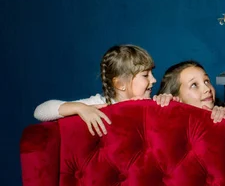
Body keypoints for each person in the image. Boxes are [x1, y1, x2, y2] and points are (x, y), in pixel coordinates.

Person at [34, 44, 175, 136]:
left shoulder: (153, 103)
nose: (154, 80)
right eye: (145, 75)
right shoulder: (101, 104)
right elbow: (39, 112)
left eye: (152, 73)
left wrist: (168, 102)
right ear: (120, 84)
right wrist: (80, 108)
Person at [158, 60, 225, 123]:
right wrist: (162, 105)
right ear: (176, 98)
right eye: (194, 85)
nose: (207, 89)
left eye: (206, 81)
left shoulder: (222, 115)